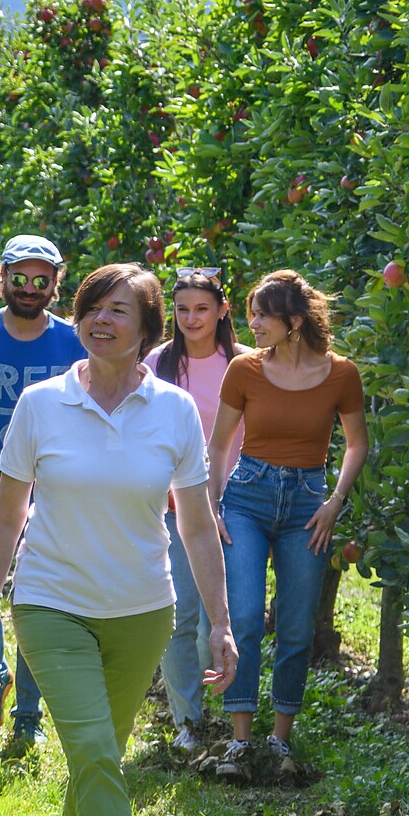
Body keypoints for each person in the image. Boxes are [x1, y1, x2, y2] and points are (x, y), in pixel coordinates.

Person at [0, 263, 237, 816]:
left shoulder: (173, 412)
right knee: (91, 747)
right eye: (92, 307)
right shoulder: (41, 405)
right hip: (49, 602)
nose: (100, 320)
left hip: (142, 610)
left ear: (147, 329)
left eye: (119, 310)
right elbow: (6, 518)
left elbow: (197, 527)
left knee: (98, 758)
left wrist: (220, 622)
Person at [207, 270, 370, 780]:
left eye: (261, 315)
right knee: (248, 618)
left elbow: (357, 444)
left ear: (294, 322)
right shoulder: (244, 369)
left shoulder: (341, 374)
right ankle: (239, 741)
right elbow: (218, 445)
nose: (250, 323)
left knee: (297, 626)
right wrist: (212, 504)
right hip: (247, 499)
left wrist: (335, 502)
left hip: (307, 504)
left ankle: (279, 741)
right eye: (251, 313)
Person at [0, 233, 88, 745]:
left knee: (37, 598)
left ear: (55, 282)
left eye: (40, 280)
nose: (29, 288)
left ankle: (29, 710)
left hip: (52, 487)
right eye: (20, 278)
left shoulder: (74, 340)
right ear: (2, 277)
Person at [143, 267, 245, 752]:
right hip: (174, 505)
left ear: (223, 310)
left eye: (202, 308)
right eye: (182, 309)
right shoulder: (157, 363)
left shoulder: (244, 365)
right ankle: (188, 719)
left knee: (219, 617)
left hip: (235, 506)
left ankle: (227, 710)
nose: (191, 318)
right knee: (180, 614)